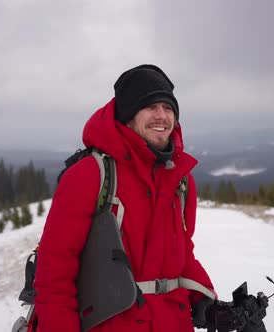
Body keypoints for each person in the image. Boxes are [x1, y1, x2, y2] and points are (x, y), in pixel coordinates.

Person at [33, 65, 227, 331]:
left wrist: (209, 304)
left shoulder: (181, 181)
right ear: (128, 115)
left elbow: (183, 257)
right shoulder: (90, 175)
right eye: (150, 106)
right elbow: (54, 275)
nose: (162, 116)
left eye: (168, 108)